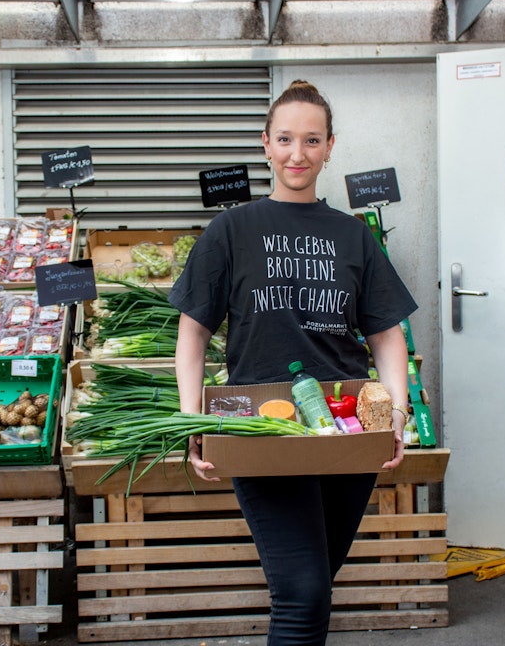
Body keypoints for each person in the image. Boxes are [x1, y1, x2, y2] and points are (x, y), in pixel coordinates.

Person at [168, 80, 417, 645]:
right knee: (302, 593)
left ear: (330, 146)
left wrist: (395, 413)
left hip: (345, 428)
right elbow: (193, 333)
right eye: (284, 139)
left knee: (313, 587)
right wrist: (193, 421)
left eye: (311, 140)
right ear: (265, 143)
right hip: (263, 426)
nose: (296, 154)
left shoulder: (352, 235)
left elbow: (385, 334)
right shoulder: (231, 230)